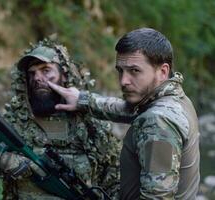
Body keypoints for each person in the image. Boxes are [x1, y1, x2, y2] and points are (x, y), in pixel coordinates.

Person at [0, 39, 122, 200]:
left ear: (64, 75)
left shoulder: (91, 127)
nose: (37, 78)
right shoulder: (13, 123)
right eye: (32, 73)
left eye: (46, 70)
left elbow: (117, 183)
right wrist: (0, 161)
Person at [48, 28, 200, 199]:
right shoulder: (176, 101)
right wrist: (83, 100)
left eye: (134, 71)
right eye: (120, 71)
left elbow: (157, 197)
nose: (123, 81)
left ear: (163, 71)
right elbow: (127, 110)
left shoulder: (158, 121)